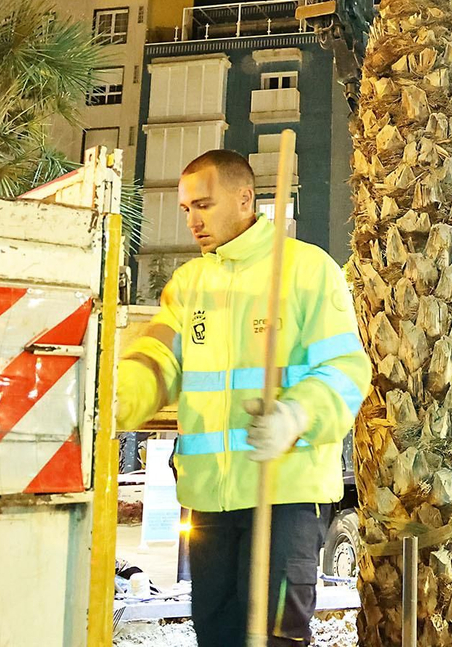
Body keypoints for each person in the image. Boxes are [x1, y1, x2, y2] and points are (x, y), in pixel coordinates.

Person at [116, 149, 370, 647]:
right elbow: (156, 364)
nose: (192, 220)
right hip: (209, 501)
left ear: (245, 198)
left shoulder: (307, 271)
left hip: (286, 496)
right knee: (219, 637)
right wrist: (111, 400)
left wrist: (296, 415)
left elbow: (345, 370)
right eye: (186, 208)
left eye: (203, 205)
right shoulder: (189, 285)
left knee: (274, 639)